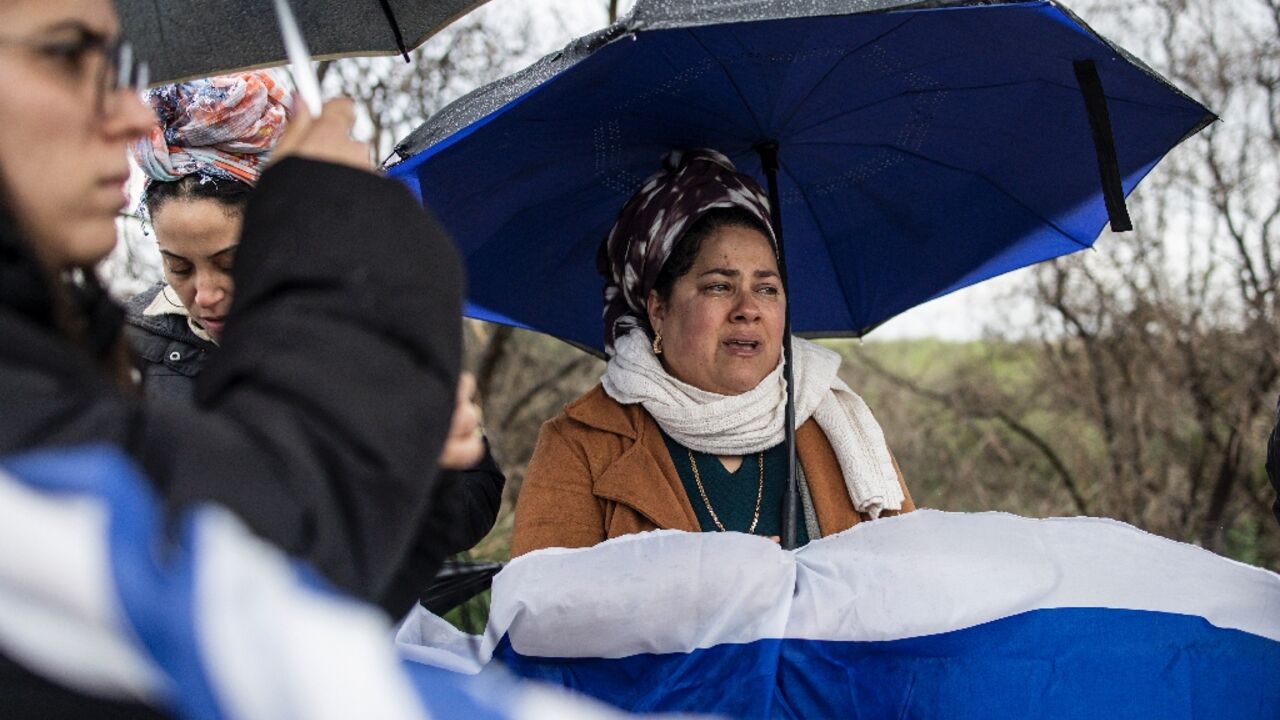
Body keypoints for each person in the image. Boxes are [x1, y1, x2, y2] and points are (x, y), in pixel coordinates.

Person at [0, 0, 478, 712]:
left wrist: (435, 470)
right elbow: (239, 567)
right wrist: (347, 259)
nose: (134, 118)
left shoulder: (61, 352)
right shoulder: (101, 368)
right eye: (69, 54)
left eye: (232, 258)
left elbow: (336, 589)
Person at [123, 71, 505, 612]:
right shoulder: (118, 354)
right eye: (178, 267)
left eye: (232, 263)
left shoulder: (366, 332)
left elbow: (475, 497)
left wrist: (417, 476)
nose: (204, 294)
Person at [510, 149, 913, 557]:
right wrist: (700, 592)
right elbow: (546, 611)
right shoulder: (581, 444)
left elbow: (908, 589)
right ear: (659, 310)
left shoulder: (840, 423)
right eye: (719, 286)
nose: (748, 310)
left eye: (767, 288)